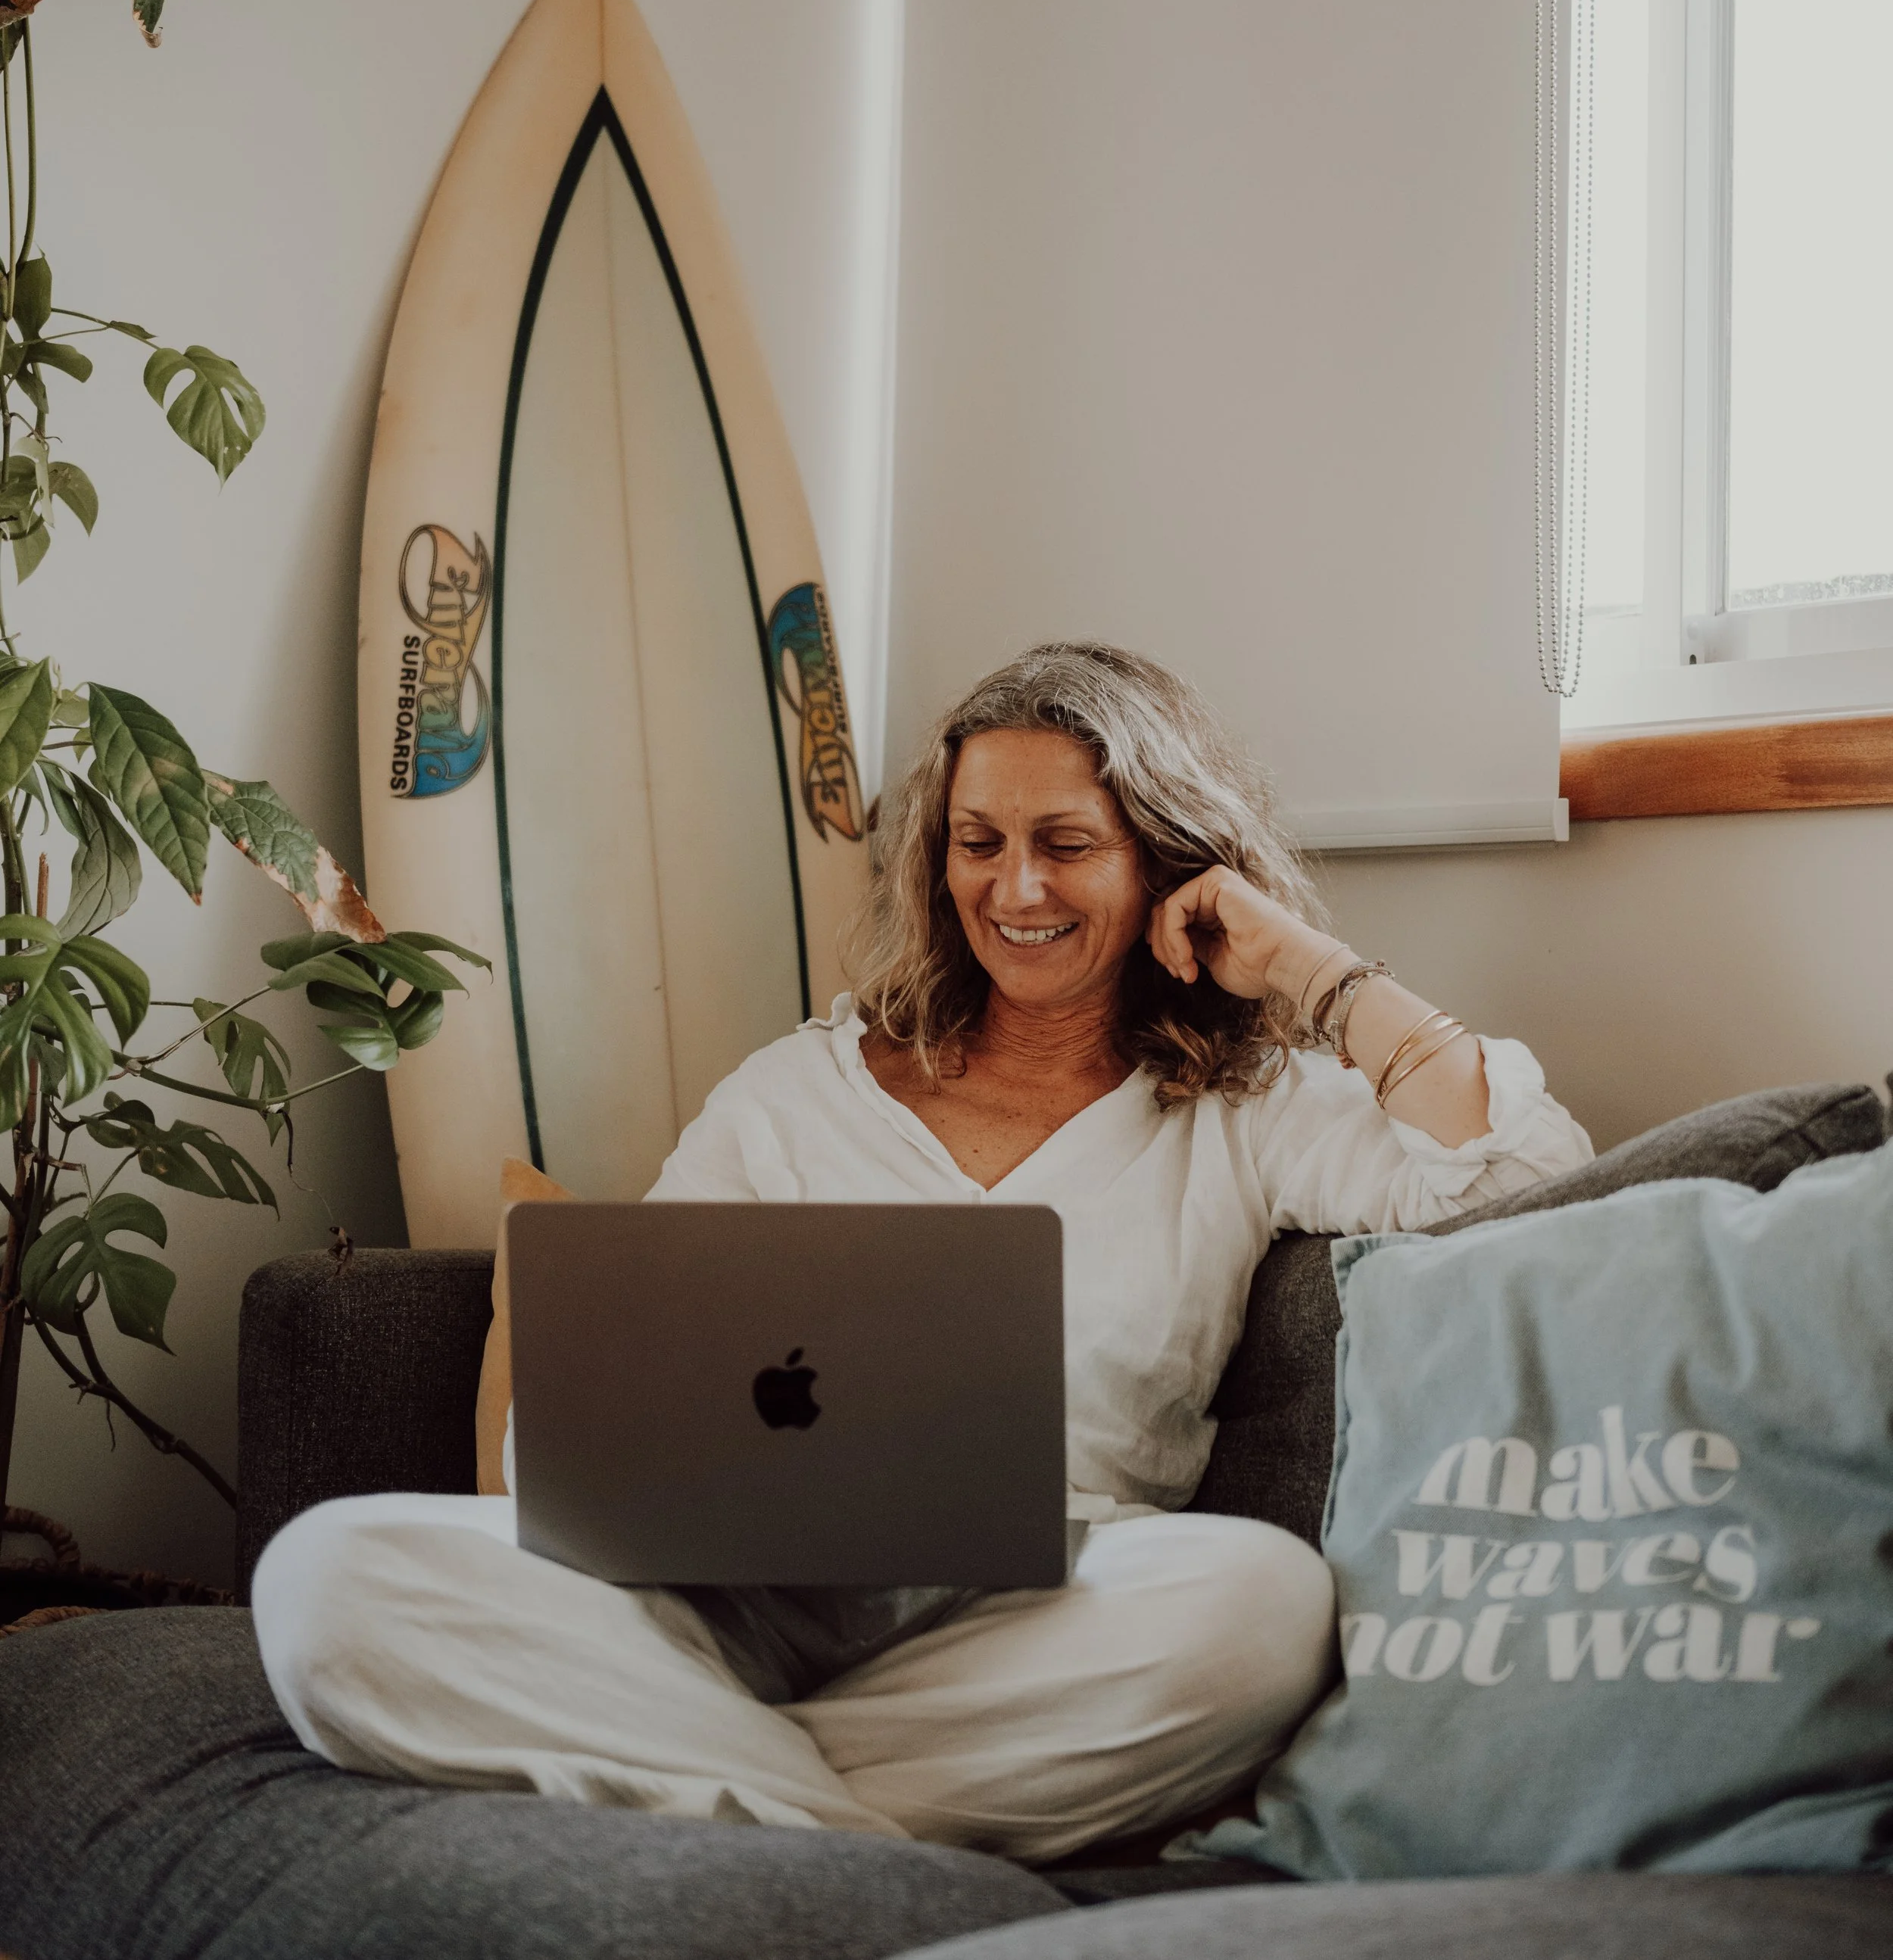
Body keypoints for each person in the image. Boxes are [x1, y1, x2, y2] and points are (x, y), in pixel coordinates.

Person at [255, 642, 1592, 1862]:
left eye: (1068, 842)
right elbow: (601, 1393)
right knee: (331, 1578)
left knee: (1263, 1601)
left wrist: (1311, 972)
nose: (1014, 888)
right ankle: (842, 1844)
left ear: (1167, 863)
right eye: (978, 841)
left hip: (1039, 1614)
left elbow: (1534, 1177)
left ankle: (718, 1813)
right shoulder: (793, 1093)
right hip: (722, 1610)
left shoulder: (1241, 1112)